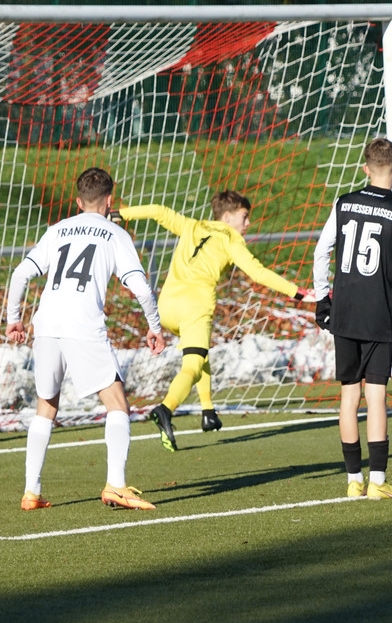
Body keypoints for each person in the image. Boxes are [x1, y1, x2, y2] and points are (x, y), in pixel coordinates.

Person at [6, 167, 167, 511]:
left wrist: (14, 320)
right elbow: (141, 288)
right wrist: (154, 326)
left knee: (46, 406)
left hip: (46, 325)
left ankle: (31, 492)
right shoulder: (115, 234)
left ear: (78, 202)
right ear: (110, 200)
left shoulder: (57, 230)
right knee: (117, 404)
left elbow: (20, 274)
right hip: (83, 326)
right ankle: (116, 486)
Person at [118, 190, 316, 451]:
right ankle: (166, 409)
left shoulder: (191, 225)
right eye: (244, 217)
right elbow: (257, 272)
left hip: (165, 306)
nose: (248, 224)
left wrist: (118, 214)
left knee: (200, 352)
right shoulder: (231, 239)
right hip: (195, 307)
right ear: (227, 216)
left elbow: (158, 211)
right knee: (192, 365)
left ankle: (208, 411)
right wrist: (298, 292)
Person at [312, 138, 392, 500]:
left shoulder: (343, 203)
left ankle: (352, 481)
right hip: (377, 311)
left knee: (348, 395)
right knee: (376, 396)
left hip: (343, 309)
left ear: (364, 168)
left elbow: (321, 250)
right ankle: (377, 481)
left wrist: (321, 297)